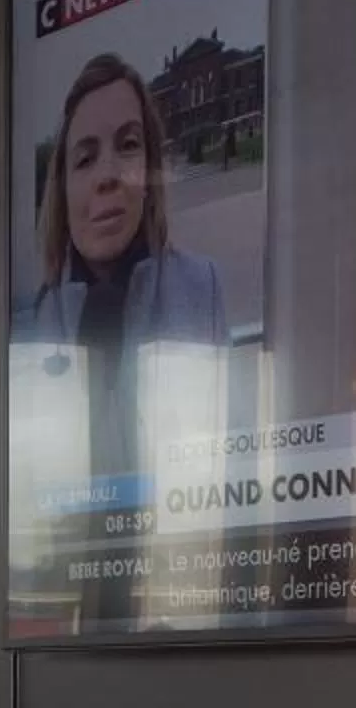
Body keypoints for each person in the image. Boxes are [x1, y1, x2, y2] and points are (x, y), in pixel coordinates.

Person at [20, 52, 229, 485]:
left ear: (151, 171)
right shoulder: (28, 324)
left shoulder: (201, 288)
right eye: (85, 158)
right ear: (62, 188)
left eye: (128, 145)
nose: (107, 175)